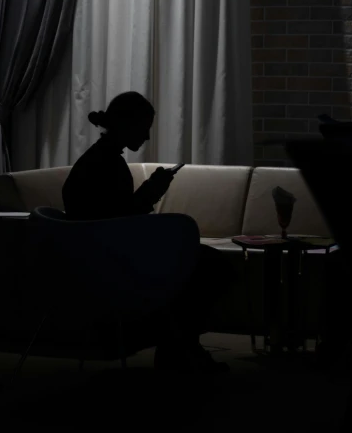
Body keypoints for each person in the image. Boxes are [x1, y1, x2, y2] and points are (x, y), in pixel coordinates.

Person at [62, 91, 231, 373]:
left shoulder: (97, 160)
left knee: (201, 263)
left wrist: (147, 196)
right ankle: (179, 349)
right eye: (144, 129)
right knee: (210, 266)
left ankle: (178, 347)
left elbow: (111, 219)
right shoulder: (108, 165)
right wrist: (150, 194)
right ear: (128, 125)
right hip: (114, 265)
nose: (148, 137)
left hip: (95, 260)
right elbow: (118, 222)